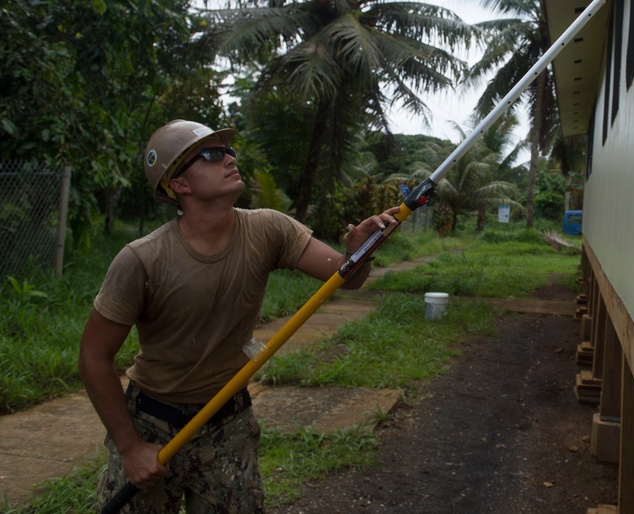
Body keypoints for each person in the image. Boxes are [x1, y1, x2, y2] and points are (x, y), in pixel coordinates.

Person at [79, 119, 398, 513]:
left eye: (229, 151)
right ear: (179, 185)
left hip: (227, 423)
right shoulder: (142, 259)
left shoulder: (268, 229)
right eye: (212, 154)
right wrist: (129, 447)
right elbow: (94, 356)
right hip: (151, 423)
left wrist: (359, 250)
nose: (229, 158)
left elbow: (344, 278)